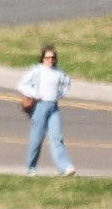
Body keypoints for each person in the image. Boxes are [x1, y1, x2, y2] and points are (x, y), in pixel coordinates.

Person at [17, 44, 75, 176]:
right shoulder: (37, 71)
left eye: (52, 58)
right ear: (42, 58)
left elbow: (67, 83)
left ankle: (64, 167)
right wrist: (36, 94)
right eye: (47, 58)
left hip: (53, 107)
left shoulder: (58, 72)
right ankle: (31, 168)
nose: (50, 61)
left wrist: (59, 95)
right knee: (36, 138)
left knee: (57, 137)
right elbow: (22, 85)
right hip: (39, 106)